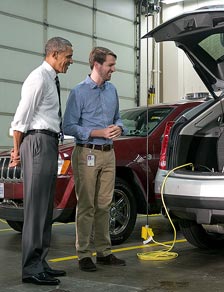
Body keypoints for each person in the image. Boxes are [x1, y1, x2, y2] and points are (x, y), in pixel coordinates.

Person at [10, 37, 73, 285]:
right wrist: (16, 152)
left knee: (45, 207)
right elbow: (20, 120)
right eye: (68, 56)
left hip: (48, 142)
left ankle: (40, 260)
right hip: (37, 142)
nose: (70, 61)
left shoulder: (51, 79)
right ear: (55, 54)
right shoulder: (38, 78)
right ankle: (30, 268)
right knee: (36, 209)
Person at [63, 47, 126, 272]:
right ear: (97, 65)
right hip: (87, 153)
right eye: (110, 65)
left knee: (104, 205)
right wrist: (96, 132)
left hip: (109, 154)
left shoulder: (112, 90)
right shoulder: (79, 92)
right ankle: (84, 255)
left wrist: (119, 128)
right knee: (87, 205)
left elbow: (118, 117)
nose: (113, 69)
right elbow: (68, 126)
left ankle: (104, 252)